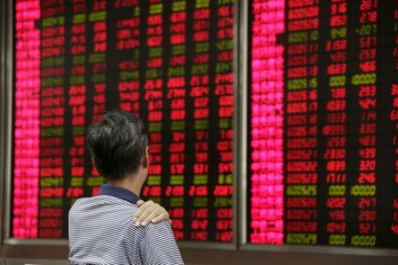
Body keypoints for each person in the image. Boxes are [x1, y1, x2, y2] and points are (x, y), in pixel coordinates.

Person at [69, 109, 184, 265]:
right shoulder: (149, 223)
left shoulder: (78, 211)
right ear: (146, 158)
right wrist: (159, 227)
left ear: (95, 164)